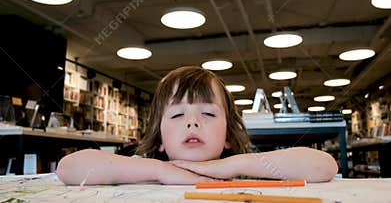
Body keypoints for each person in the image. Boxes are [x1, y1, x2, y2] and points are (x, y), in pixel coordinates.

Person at [56, 66, 338, 185]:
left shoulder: (240, 172)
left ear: (228, 135)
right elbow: (68, 169)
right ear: (160, 138)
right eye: (177, 116)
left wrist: (235, 165)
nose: (192, 121)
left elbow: (325, 166)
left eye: (208, 113)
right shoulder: (144, 169)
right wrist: (161, 171)